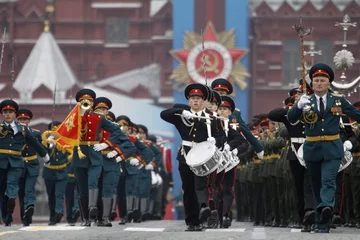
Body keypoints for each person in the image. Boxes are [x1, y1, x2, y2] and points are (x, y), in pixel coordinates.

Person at [287, 63, 360, 233]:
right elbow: (291, 119)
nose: (319, 83)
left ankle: (326, 207)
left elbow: (356, 114)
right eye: (316, 80)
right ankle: (322, 222)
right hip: (312, 148)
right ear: (312, 84)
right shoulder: (306, 101)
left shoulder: (338, 100)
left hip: (332, 148)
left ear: (328, 84)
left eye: (322, 80)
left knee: (328, 181)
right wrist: (297, 106)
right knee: (316, 184)